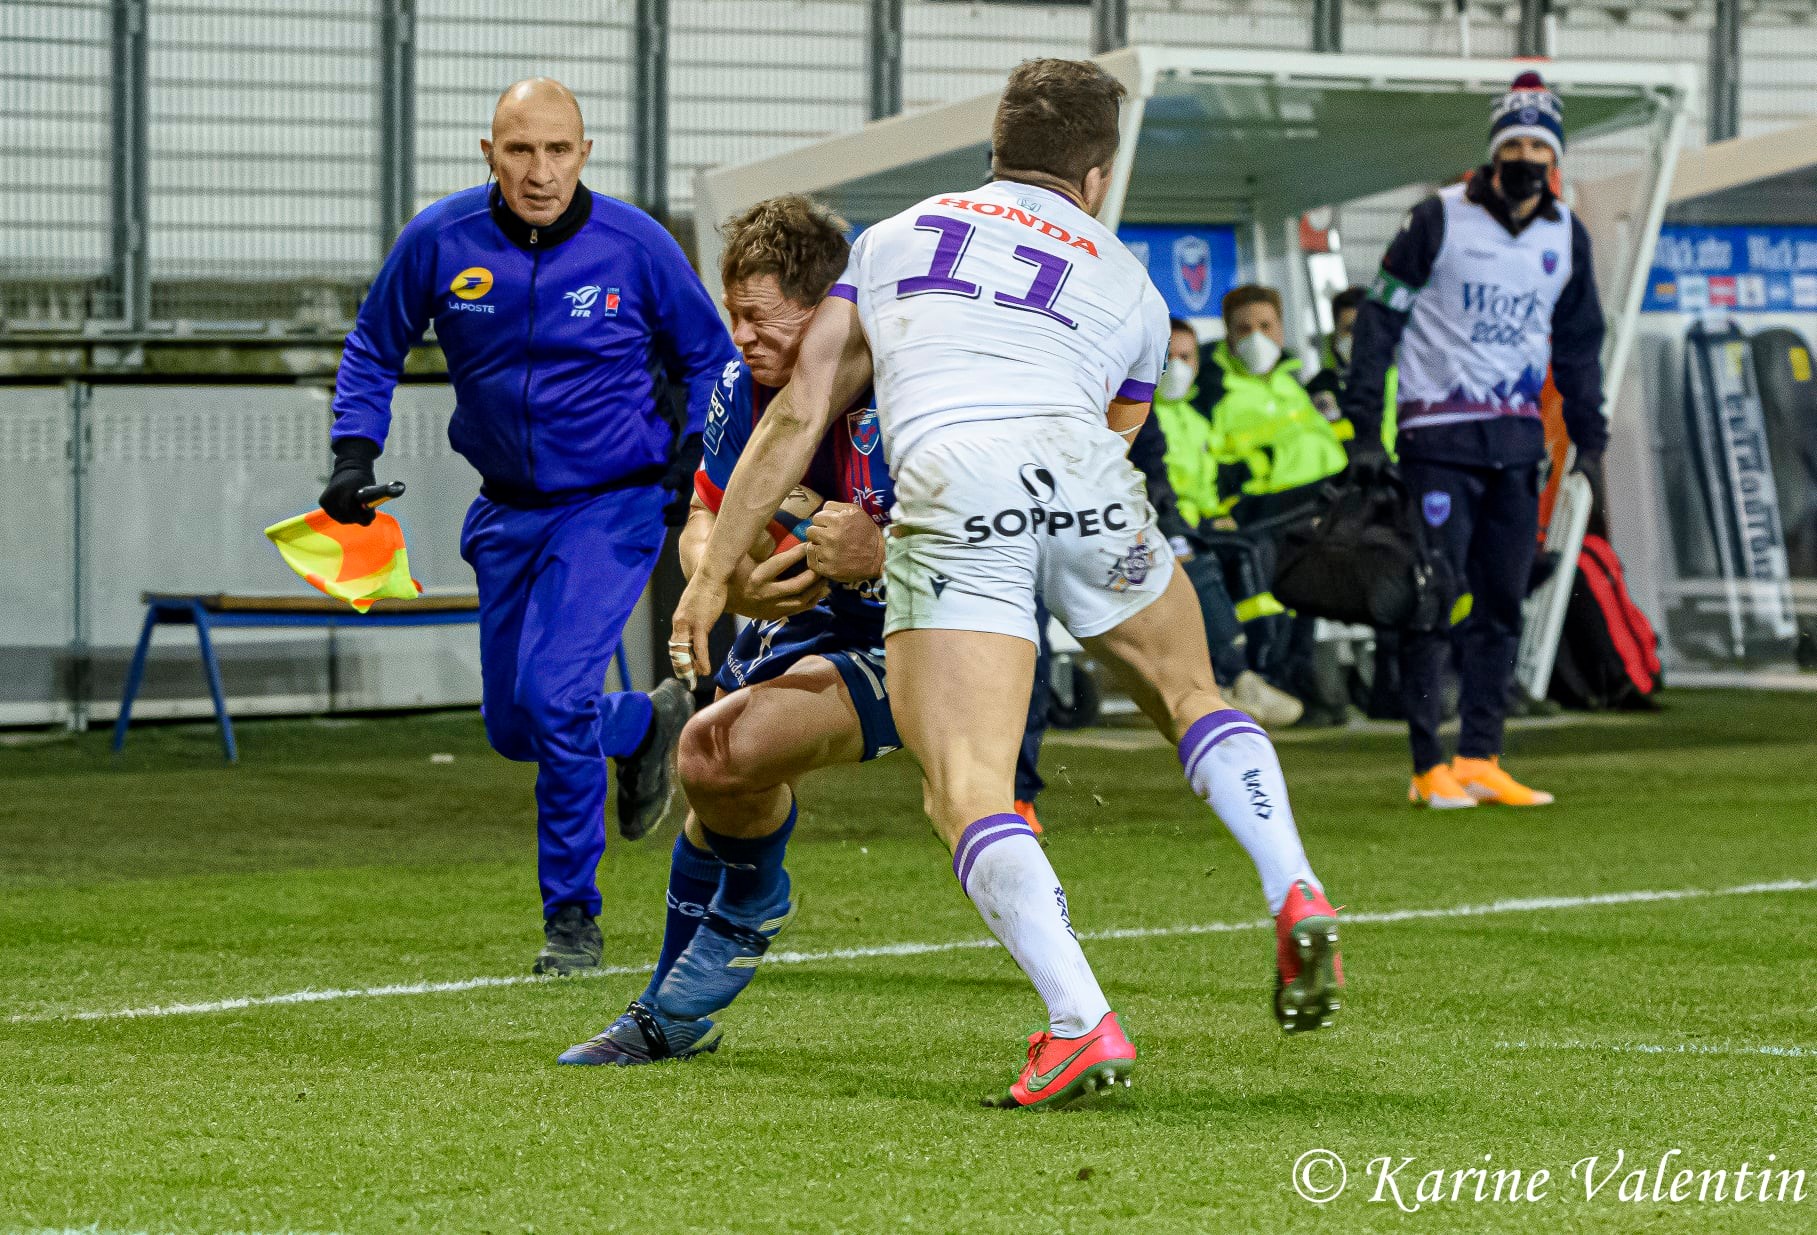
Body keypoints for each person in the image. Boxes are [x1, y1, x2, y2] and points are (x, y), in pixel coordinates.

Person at [671, 58, 1345, 1110]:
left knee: (968, 785)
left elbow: (798, 413)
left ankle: (1079, 1019)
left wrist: (713, 577)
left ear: (993, 147)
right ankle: (1288, 877)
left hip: (950, 485)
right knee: (1190, 691)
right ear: (1092, 173)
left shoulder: (899, 236)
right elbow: (1117, 430)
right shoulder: (1127, 282)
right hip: (1081, 476)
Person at [320, 79, 734, 974]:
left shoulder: (636, 244)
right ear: (488, 155)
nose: (539, 171)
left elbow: (712, 357)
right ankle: (642, 726)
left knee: (551, 702)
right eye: (519, 151)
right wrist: (352, 456)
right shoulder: (439, 239)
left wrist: (694, 461)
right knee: (515, 726)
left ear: (584, 154)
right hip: (505, 509)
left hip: (614, 505)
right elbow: (371, 345)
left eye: (557, 150)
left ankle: (572, 922)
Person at [557, 194, 898, 1064]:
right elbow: (702, 517)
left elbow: (985, 524)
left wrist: (883, 548)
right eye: (731, 314)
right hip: (798, 628)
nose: (740, 336)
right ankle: (668, 1017)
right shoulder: (738, 390)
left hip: (912, 637)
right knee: (714, 795)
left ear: (826, 311)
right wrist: (730, 572)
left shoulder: (907, 390)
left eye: (759, 317)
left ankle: (749, 911)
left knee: (711, 754)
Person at [1342, 71, 1608, 809]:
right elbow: (1379, 321)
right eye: (1513, 143)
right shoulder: (1437, 217)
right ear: (1494, 150)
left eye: (1537, 145)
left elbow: (1580, 343)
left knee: (1500, 603)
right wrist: (1365, 425)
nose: (1524, 155)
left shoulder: (1566, 234)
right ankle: (1427, 763)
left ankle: (1481, 755)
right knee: (1432, 599)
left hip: (1517, 444)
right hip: (1437, 438)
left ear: (1553, 158)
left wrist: (1588, 435)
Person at [1144, 319, 1304, 727]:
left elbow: (1211, 480)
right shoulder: (1139, 414)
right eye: (1168, 357)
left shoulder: (1197, 418)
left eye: (1186, 357)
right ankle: (1234, 677)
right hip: (1154, 523)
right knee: (1196, 559)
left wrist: (1220, 512)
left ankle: (1258, 671)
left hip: (1200, 521)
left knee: (1254, 555)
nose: (1176, 367)